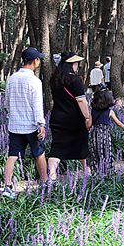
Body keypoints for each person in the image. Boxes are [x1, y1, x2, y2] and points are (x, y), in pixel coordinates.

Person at [3, 47, 47, 198]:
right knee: (39, 154)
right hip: (32, 126)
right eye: (38, 60)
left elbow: (7, 102)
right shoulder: (34, 81)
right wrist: (41, 124)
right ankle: (45, 184)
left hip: (15, 125)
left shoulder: (12, 79)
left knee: (12, 155)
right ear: (35, 61)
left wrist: (13, 114)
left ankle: (7, 187)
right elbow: (37, 104)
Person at [48, 51, 91, 179]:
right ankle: (86, 173)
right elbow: (81, 100)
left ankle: (52, 176)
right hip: (74, 120)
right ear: (69, 65)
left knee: (57, 147)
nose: (77, 65)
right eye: (75, 63)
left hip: (57, 118)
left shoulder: (54, 80)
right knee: (81, 146)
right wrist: (87, 117)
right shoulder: (75, 80)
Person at [88, 87, 124, 174]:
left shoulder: (92, 111)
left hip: (95, 135)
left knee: (95, 152)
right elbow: (118, 122)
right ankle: (107, 171)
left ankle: (96, 171)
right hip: (105, 135)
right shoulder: (110, 112)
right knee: (106, 152)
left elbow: (89, 126)